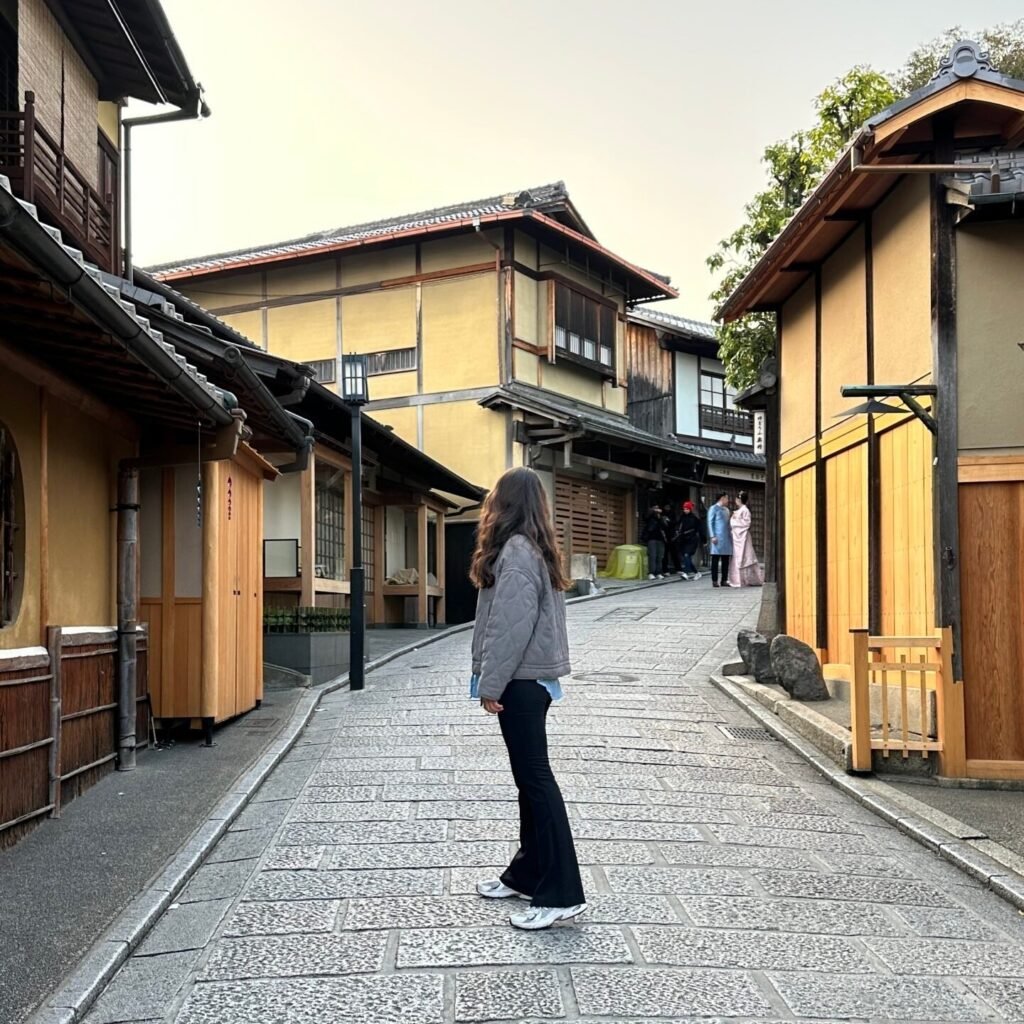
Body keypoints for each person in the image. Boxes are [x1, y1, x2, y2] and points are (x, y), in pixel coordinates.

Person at [468, 467, 587, 930]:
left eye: (495, 496)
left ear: (507, 502)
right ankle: (527, 874)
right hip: (528, 680)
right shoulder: (532, 546)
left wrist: (490, 683)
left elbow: (509, 628)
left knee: (536, 781)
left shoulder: (516, 550)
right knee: (529, 782)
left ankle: (561, 894)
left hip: (519, 680)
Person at [727, 491, 764, 587]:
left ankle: (746, 580)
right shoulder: (740, 510)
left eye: (736, 499)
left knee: (745, 556)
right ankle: (738, 580)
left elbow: (746, 523)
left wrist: (734, 521)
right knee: (738, 556)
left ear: (738, 500)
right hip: (737, 536)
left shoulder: (745, 510)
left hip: (742, 536)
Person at [707, 491, 733, 589]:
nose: (728, 500)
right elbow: (710, 522)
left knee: (725, 559)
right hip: (717, 537)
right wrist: (712, 535)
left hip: (726, 537)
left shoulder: (726, 510)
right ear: (722, 498)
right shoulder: (713, 508)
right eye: (726, 498)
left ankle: (724, 580)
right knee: (715, 559)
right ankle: (714, 580)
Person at [676, 501, 704, 580]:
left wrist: (704, 540)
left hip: (692, 540)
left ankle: (686, 572)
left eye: (687, 509)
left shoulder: (694, 518)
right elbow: (677, 526)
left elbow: (700, 530)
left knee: (686, 555)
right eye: (684, 509)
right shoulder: (682, 517)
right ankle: (696, 573)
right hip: (683, 539)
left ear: (690, 509)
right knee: (686, 557)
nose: (685, 510)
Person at [641, 504, 668, 579]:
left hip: (660, 539)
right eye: (655, 508)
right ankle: (651, 573)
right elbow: (645, 516)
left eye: (657, 508)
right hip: (651, 538)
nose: (657, 510)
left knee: (660, 557)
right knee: (652, 556)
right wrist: (653, 510)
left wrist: (662, 518)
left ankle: (658, 572)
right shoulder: (649, 517)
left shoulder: (661, 517)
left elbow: (665, 527)